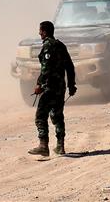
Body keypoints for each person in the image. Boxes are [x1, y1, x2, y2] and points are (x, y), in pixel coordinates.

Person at [28, 21, 76, 156]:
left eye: (40, 30)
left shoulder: (49, 46)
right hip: (60, 88)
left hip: (50, 87)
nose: (39, 33)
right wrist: (71, 85)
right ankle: (60, 146)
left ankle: (43, 145)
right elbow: (70, 67)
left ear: (44, 31)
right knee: (57, 116)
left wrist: (39, 84)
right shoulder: (61, 46)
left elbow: (46, 69)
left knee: (40, 116)